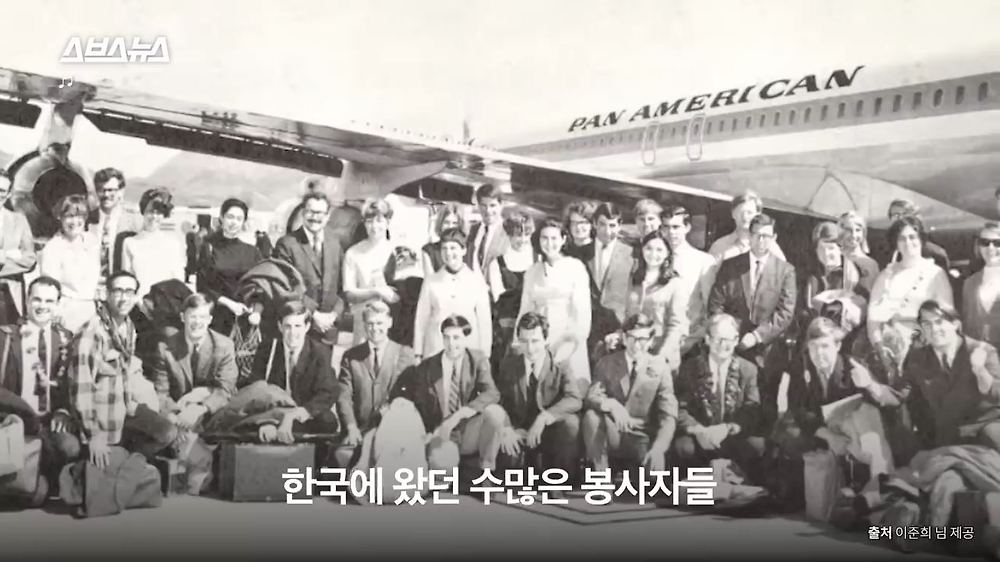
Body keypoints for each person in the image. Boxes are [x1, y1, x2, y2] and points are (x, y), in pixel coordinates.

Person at [773, 317, 894, 501]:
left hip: (854, 430)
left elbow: (881, 405)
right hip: (820, 429)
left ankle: (879, 488)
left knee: (869, 428)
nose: (819, 353)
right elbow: (798, 410)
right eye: (813, 347)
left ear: (837, 346)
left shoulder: (853, 366)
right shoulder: (800, 368)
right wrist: (829, 436)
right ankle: (872, 491)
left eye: (825, 346)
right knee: (790, 434)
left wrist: (869, 384)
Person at [860, 300, 1000, 452]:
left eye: (939, 322)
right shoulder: (918, 359)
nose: (934, 329)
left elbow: (996, 393)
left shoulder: (982, 350)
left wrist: (980, 370)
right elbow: (899, 395)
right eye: (927, 324)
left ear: (956, 324)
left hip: (987, 429)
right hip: (950, 438)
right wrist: (869, 384)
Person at [69, 271, 177, 467]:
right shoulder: (91, 334)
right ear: (106, 294)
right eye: (118, 291)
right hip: (101, 418)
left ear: (136, 297)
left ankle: (124, 463)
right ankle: (109, 464)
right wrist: (94, 435)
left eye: (129, 292)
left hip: (124, 409)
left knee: (166, 432)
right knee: (103, 470)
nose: (123, 298)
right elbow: (81, 389)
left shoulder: (128, 327)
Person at [708, 213, 796, 430]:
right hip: (733, 347)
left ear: (774, 237)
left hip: (768, 350)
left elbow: (786, 312)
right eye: (757, 235)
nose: (761, 240)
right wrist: (730, 335)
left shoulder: (785, 270)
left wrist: (757, 336)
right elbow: (716, 304)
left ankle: (763, 445)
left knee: (766, 404)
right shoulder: (731, 266)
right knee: (733, 401)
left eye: (767, 236)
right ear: (749, 236)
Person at [391, 314, 501, 470]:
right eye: (447, 338)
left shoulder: (477, 359)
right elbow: (417, 403)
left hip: (467, 429)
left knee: (495, 413)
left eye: (456, 338)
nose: (451, 344)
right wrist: (428, 432)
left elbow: (491, 393)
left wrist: (458, 416)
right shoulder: (427, 367)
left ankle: (486, 472)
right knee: (442, 465)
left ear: (466, 339)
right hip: (440, 432)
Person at [0, 277, 77, 486]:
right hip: (16, 419)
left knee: (70, 448)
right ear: (27, 300)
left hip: (49, 420)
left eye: (49, 301)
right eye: (37, 299)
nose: (42, 306)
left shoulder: (65, 339)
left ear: (58, 304)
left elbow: (69, 383)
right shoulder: (6, 337)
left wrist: (63, 410)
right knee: (25, 486)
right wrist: (24, 411)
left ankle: (44, 483)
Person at [487, 312, 582, 477]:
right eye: (524, 341)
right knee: (507, 467)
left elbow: (574, 399)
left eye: (535, 341)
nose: (530, 349)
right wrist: (507, 429)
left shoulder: (560, 364)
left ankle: (558, 478)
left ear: (546, 340)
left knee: (571, 424)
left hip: (550, 433)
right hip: (520, 432)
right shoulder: (509, 364)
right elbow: (499, 401)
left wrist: (545, 417)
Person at [674, 313, 764, 484]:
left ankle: (739, 485)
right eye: (718, 339)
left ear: (736, 340)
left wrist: (728, 428)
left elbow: (752, 409)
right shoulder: (690, 368)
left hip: (730, 435)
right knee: (683, 447)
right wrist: (699, 430)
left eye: (729, 339)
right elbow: (680, 408)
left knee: (757, 446)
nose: (723, 345)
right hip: (700, 436)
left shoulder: (748, 369)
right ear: (707, 339)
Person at [582, 313, 677, 472]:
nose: (636, 345)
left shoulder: (660, 367)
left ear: (651, 341)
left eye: (642, 339)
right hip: (613, 433)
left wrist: (659, 448)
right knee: (591, 417)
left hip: (642, 437)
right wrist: (611, 404)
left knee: (653, 478)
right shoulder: (607, 362)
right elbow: (592, 395)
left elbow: (668, 414)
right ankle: (601, 478)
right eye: (632, 338)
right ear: (624, 339)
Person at [335, 300, 416, 467]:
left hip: (393, 431)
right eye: (370, 323)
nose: (375, 328)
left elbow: (408, 398)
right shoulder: (351, 356)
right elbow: (344, 397)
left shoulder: (404, 354)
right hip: (358, 431)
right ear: (364, 325)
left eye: (379, 323)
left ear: (389, 323)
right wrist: (351, 427)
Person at [248, 300, 339, 444]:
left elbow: (328, 392)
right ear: (280, 326)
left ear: (307, 327)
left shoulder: (320, 352)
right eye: (288, 326)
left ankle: (309, 455)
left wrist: (295, 415)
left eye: (298, 326)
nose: (293, 333)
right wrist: (266, 421)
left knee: (328, 421)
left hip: (302, 414)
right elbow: (256, 387)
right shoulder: (267, 349)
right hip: (273, 413)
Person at [867, 216, 953, 363]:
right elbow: (872, 319)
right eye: (902, 238)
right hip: (889, 349)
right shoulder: (886, 275)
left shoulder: (935, 273)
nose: (908, 242)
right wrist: (879, 347)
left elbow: (947, 315)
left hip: (926, 348)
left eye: (912, 237)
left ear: (921, 240)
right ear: (896, 243)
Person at [152, 293, 238, 437]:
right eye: (192, 316)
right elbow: (161, 392)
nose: (197, 322)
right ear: (182, 317)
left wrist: (199, 409)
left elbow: (226, 389)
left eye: (202, 317)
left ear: (210, 320)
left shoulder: (224, 345)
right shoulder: (165, 348)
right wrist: (175, 417)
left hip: (211, 411)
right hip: (178, 413)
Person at [518, 218, 592, 381]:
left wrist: (567, 345)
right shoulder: (532, 272)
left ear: (563, 239)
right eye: (544, 238)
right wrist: (520, 343)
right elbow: (525, 310)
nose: (549, 243)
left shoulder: (576, 268)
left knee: (568, 384)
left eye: (554, 238)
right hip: (538, 340)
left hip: (568, 340)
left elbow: (582, 314)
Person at [273, 192, 345, 345]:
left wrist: (333, 315)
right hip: (298, 327)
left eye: (320, 213)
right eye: (310, 212)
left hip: (328, 329)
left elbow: (342, 285)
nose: (315, 217)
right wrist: (314, 314)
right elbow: (285, 286)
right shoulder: (287, 244)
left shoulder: (335, 243)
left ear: (327, 216)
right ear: (303, 213)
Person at [413, 228, 492, 361]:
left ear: (463, 250)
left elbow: (484, 323)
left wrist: (484, 356)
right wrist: (418, 353)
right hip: (436, 350)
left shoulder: (476, 282)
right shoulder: (431, 281)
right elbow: (421, 319)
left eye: (453, 248)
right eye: (444, 248)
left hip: (468, 351)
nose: (448, 253)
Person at [196, 198, 263, 336]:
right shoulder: (209, 247)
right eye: (230, 217)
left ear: (244, 222)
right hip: (217, 318)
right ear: (221, 218)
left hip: (245, 319)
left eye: (239, 219)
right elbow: (202, 286)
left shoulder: (252, 252)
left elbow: (261, 286)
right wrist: (229, 304)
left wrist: (256, 310)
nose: (234, 222)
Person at [621, 231, 688, 369]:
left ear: (667, 253)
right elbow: (628, 316)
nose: (653, 254)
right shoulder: (634, 279)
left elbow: (676, 325)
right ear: (642, 250)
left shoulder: (675, 284)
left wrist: (661, 356)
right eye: (649, 248)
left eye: (659, 250)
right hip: (635, 350)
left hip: (661, 352)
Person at [661, 205, 717, 357]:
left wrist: (693, 340)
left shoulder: (703, 261)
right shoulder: (655, 256)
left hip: (687, 345)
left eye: (676, 227)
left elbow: (710, 308)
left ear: (687, 227)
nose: (671, 232)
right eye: (666, 227)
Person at [39, 195, 100, 333]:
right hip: (66, 310)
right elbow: (50, 288)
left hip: (91, 308)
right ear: (60, 217)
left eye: (79, 216)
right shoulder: (53, 248)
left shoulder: (92, 242)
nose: (74, 221)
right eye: (69, 216)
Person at [342, 198, 400, 346]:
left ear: (388, 222)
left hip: (392, 324)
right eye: (369, 221)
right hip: (363, 323)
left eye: (379, 220)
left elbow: (403, 293)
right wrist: (376, 292)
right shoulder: (353, 253)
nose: (374, 226)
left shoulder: (397, 251)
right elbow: (349, 293)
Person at [797, 222, 868, 336]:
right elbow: (801, 309)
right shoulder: (810, 276)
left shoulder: (856, 275)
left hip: (847, 337)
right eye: (821, 249)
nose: (826, 254)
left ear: (841, 249)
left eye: (830, 248)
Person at [487, 211, 536, 364]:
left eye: (526, 234)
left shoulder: (538, 259)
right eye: (517, 235)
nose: (523, 240)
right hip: (507, 327)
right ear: (509, 235)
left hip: (533, 325)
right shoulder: (497, 264)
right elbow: (499, 297)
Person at [121, 188, 186, 297]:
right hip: (140, 302)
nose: (154, 217)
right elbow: (127, 280)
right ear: (143, 212)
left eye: (159, 213)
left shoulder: (173, 243)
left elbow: (178, 280)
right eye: (150, 211)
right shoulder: (130, 243)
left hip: (167, 302)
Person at [585, 202, 633, 345]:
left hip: (617, 327)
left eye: (612, 225)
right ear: (594, 223)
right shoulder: (580, 253)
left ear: (619, 225)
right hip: (587, 326)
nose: (607, 231)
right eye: (602, 224)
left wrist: (625, 328)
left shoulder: (632, 254)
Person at [90, 167, 144, 286]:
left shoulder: (135, 223)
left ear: (121, 191)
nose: (106, 194)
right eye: (101, 190)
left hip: (122, 288)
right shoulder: (86, 221)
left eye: (110, 190)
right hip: (91, 287)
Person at [708, 190, 786, 262]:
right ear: (733, 214)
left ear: (758, 215)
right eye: (740, 212)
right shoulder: (719, 247)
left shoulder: (771, 248)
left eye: (749, 213)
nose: (745, 217)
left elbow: (783, 270)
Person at [0, 171, 36, 324]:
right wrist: (8, 255)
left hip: (11, 298)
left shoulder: (19, 221)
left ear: (8, 194)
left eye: (2, 191)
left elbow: (30, 260)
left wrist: (2, 258)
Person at [962, 223, 1000, 348]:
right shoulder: (969, 283)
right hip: (980, 353)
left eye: (997, 243)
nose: (990, 248)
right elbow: (967, 324)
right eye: (985, 242)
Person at [886, 199, 950, 270]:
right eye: (896, 215)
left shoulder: (934, 254)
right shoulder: (883, 250)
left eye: (905, 214)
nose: (901, 218)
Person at [465, 183, 509, 281]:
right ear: (478, 206)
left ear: (501, 205)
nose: (488, 210)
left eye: (492, 205)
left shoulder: (508, 233)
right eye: (483, 206)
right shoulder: (472, 230)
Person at [838, 211, 880, 293]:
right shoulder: (836, 257)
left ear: (863, 233)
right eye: (848, 230)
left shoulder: (870, 264)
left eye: (858, 230)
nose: (853, 235)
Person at [422, 203, 464, 276]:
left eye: (455, 223)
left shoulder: (468, 249)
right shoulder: (429, 250)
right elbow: (429, 279)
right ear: (440, 224)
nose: (450, 227)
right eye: (446, 223)